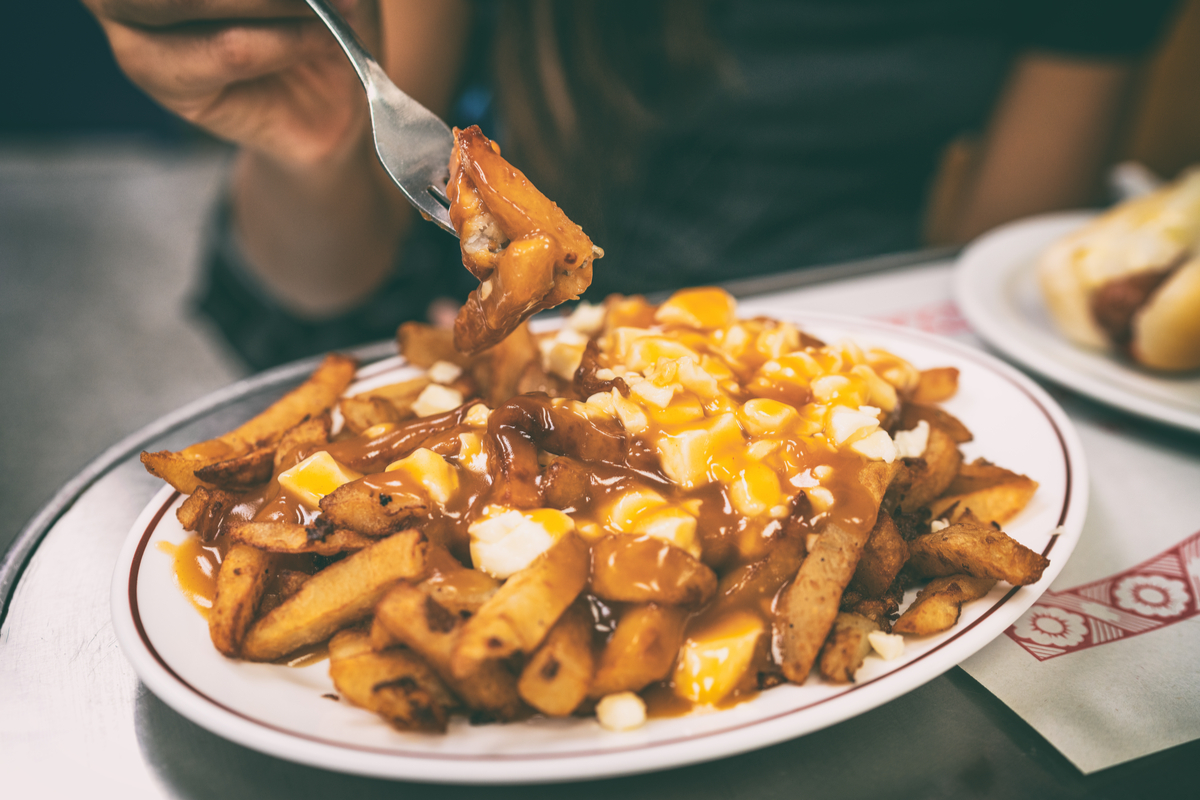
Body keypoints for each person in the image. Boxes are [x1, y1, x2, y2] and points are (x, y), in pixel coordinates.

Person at [81, 0, 1179, 369]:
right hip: (484, 338)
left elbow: (1011, 268)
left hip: (848, 340)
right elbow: (317, 278)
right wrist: (311, 133)